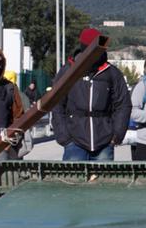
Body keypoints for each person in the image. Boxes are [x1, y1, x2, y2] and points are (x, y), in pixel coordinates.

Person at [52, 28, 131, 162]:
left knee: (102, 182)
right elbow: (57, 104)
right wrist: (64, 137)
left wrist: (116, 135)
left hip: (105, 142)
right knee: (74, 182)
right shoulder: (67, 72)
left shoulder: (112, 73)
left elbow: (123, 104)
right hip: (74, 142)